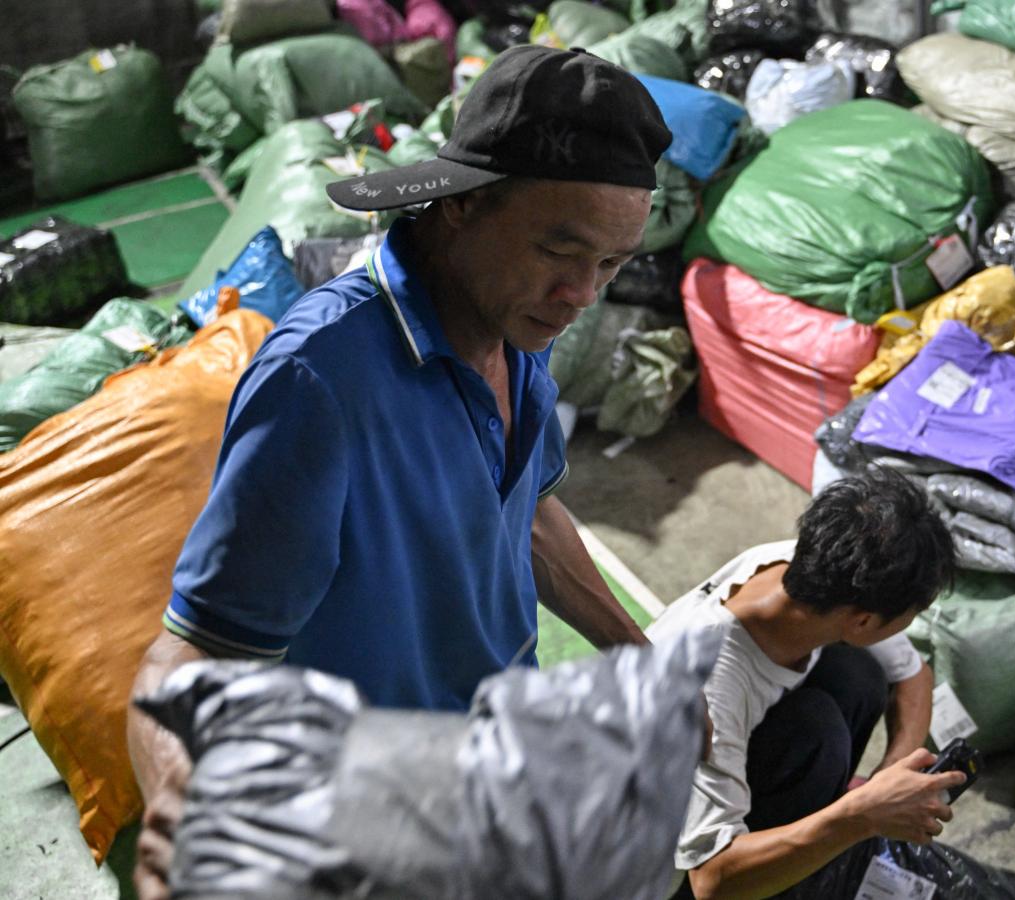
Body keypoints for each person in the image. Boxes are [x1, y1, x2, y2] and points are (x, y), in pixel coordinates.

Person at [125, 46, 673, 899]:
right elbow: (190, 654)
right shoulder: (322, 382)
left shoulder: (518, 328)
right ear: (460, 206)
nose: (581, 294)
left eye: (608, 265)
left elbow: (524, 517)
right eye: (561, 250)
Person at [647, 469, 964, 899]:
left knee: (860, 675)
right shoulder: (708, 683)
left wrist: (889, 778)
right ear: (865, 621)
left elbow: (913, 676)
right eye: (912, 614)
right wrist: (860, 816)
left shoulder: (815, 570)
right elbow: (710, 879)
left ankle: (802, 851)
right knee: (817, 730)